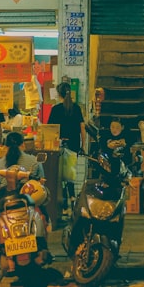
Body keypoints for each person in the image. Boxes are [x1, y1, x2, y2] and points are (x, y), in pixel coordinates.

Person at [48, 81, 86, 213]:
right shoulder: (76, 108)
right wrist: (83, 145)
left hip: (59, 145)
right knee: (70, 173)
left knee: (60, 175)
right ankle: (72, 199)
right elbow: (82, 128)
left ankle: (64, 205)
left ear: (59, 94)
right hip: (74, 144)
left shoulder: (56, 109)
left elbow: (50, 129)